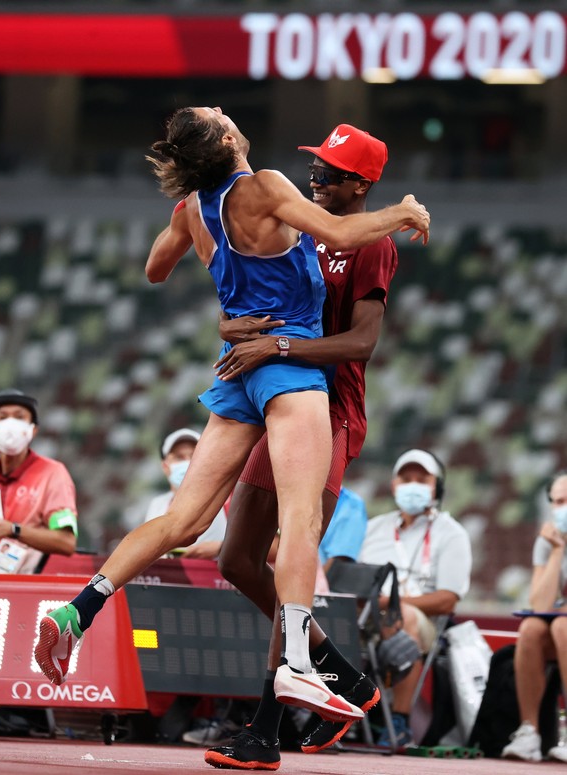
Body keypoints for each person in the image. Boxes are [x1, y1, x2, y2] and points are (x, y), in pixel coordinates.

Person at [34, 107, 430, 729]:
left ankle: (77, 610)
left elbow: (153, 270)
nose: (225, 110)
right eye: (216, 114)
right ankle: (298, 662)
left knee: (180, 522)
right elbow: (343, 233)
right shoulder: (268, 186)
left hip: (232, 371)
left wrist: (227, 280)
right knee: (299, 520)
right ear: (224, 139)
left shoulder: (195, 206)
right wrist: (406, 211)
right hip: (287, 369)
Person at [203, 124, 401, 769]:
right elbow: (262, 297)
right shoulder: (301, 223)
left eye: (331, 172)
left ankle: (265, 727)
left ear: (362, 185)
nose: (316, 178)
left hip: (330, 410)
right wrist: (238, 326)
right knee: (236, 558)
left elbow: (361, 344)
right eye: (315, 166)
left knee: (292, 546)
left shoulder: (368, 246)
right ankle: (344, 673)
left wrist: (280, 347)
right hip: (279, 400)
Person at [357, 448, 472, 748]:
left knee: (404, 617)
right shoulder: (372, 529)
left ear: (437, 487)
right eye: (406, 478)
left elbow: (448, 600)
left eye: (422, 479)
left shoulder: (452, 534)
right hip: (368, 616)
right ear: (394, 485)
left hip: (423, 624)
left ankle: (398, 720)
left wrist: (393, 604)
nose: (413, 484)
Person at [0, 388, 78, 730]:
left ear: (33, 430)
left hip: (16, 599)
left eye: (20, 417)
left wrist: (12, 529)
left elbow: (66, 542)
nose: (11, 423)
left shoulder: (52, 475)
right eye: (1, 416)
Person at [502, 471, 567, 764]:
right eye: (557, 502)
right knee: (530, 628)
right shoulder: (549, 539)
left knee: (563, 627)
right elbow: (540, 603)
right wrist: (557, 552)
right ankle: (530, 732)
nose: (561, 508)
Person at [145, 427, 227, 559]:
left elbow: (265, 548)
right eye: (179, 457)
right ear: (165, 466)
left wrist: (221, 548)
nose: (187, 462)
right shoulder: (157, 505)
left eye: (194, 455)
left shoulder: (225, 499)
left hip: (215, 577)